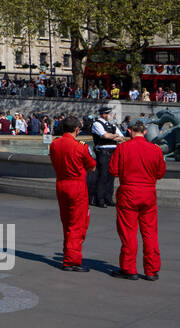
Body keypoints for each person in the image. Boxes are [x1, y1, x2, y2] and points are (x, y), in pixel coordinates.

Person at [109, 120, 166, 280]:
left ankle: (129, 268)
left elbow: (113, 170)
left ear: (129, 131)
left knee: (128, 232)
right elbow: (160, 173)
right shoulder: (155, 150)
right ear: (145, 132)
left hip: (128, 192)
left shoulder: (122, 148)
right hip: (148, 193)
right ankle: (151, 270)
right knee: (149, 232)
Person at [48, 115, 96, 271]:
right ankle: (72, 260)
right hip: (77, 186)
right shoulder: (80, 146)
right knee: (78, 223)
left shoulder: (54, 144)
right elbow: (91, 166)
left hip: (61, 184)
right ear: (77, 129)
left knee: (67, 221)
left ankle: (68, 252)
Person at [89, 108, 125, 207]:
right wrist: (114, 136)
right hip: (103, 151)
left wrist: (112, 135)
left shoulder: (112, 125)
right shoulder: (97, 124)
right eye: (110, 114)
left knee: (111, 176)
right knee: (103, 176)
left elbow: (121, 137)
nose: (112, 115)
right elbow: (104, 136)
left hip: (113, 151)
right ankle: (99, 199)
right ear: (104, 114)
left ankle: (108, 198)